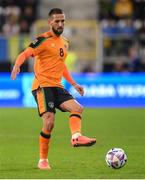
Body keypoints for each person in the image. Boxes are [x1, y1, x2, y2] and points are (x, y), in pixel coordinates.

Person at [11, 8, 96, 170]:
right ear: (50, 22)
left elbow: (61, 65)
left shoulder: (65, 42)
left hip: (57, 85)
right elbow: (25, 53)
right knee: (49, 122)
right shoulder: (42, 40)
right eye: (57, 21)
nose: (60, 23)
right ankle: (43, 160)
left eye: (62, 21)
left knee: (77, 108)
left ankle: (76, 137)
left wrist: (74, 84)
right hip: (42, 86)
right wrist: (17, 65)